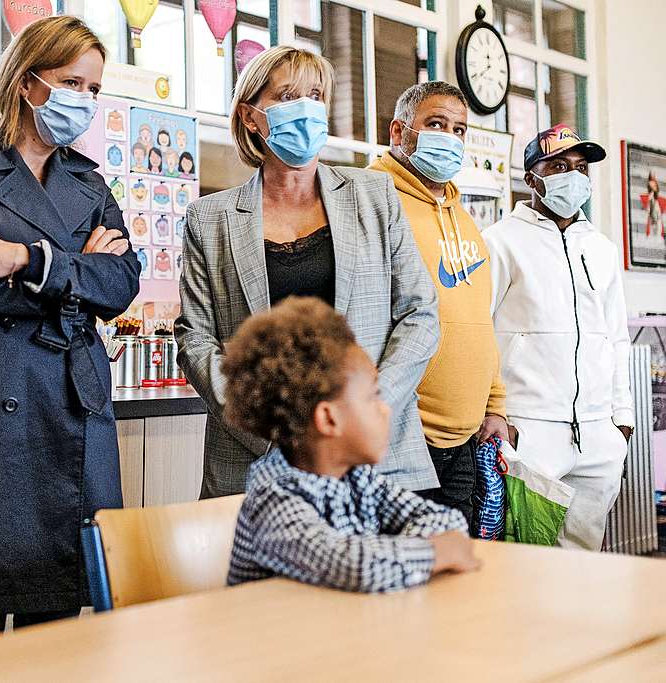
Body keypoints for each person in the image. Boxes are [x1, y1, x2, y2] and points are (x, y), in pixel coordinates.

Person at [0, 16, 140, 629]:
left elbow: (121, 283)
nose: (85, 102)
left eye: (94, 89)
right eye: (73, 82)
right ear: (27, 82)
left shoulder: (87, 181)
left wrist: (21, 257)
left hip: (69, 394)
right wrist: (76, 272)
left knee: (64, 611)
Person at [175, 46, 439, 498]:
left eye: (315, 94)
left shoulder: (374, 195)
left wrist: (365, 408)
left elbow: (420, 315)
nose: (305, 108)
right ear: (250, 116)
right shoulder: (210, 218)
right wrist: (269, 430)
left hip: (377, 457)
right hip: (255, 461)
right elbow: (194, 338)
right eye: (287, 95)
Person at [224, 298, 478, 592]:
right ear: (329, 419)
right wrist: (435, 552)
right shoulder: (273, 503)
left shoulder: (358, 480)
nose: (384, 409)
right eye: (372, 397)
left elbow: (445, 520)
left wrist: (407, 550)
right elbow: (356, 566)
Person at [483, 125, 633, 550]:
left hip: (598, 435)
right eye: (559, 166)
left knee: (584, 559)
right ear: (532, 178)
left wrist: (621, 422)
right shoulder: (499, 243)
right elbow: (478, 332)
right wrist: (496, 417)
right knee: (527, 557)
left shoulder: (601, 248)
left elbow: (616, 338)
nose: (573, 175)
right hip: (529, 433)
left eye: (581, 168)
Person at [368, 82, 508, 525]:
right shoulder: (371, 198)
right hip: (401, 435)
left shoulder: (465, 220)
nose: (450, 137)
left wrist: (495, 406)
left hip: (464, 439)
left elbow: (479, 321)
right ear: (399, 131)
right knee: (401, 578)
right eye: (435, 124)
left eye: (459, 129)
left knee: (457, 578)